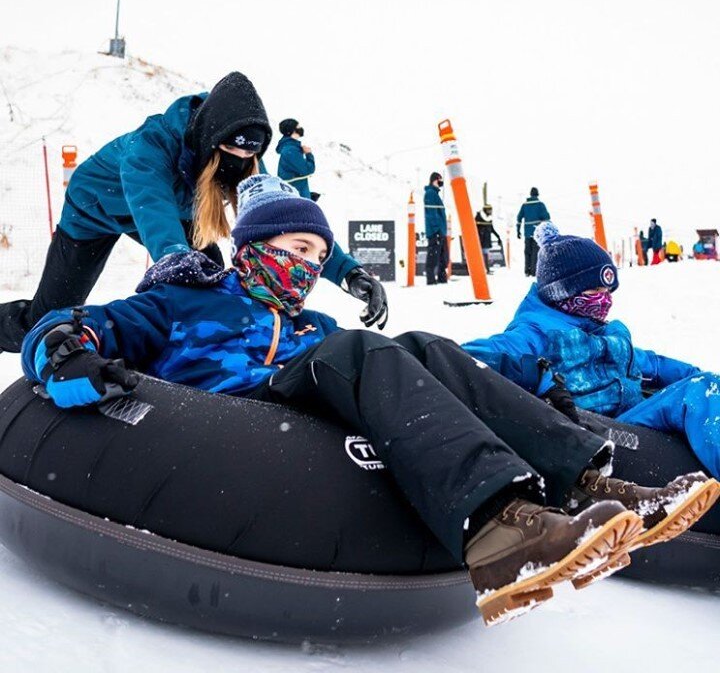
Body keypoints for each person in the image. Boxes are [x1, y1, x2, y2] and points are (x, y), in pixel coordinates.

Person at [20, 176, 717, 626]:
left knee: (421, 345)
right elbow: (82, 327)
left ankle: (591, 484)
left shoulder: (310, 326)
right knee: (356, 348)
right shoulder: (182, 301)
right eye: (296, 248)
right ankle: (498, 530)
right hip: (230, 411)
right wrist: (63, 353)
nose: (306, 267)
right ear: (257, 246)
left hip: (303, 410)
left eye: (317, 259)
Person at [0, 75, 387, 353]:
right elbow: (152, 205)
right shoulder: (151, 146)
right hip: (94, 210)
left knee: (214, 289)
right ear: (209, 142)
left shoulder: (246, 160)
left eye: (247, 157)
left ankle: (208, 357)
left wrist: (349, 273)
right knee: (46, 317)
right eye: (229, 155)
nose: (237, 165)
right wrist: (173, 256)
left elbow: (287, 221)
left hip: (177, 214)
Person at [462, 222, 720, 478]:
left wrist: (699, 376)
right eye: (595, 289)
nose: (605, 299)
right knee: (698, 392)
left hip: (631, 420)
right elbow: (468, 356)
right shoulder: (535, 333)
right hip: (599, 434)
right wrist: (536, 375)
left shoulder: (601, 331)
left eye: (609, 291)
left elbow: (651, 363)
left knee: (705, 387)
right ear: (562, 290)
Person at [276, 118, 315, 200]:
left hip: (296, 191)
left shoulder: (291, 147)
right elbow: (308, 170)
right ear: (293, 131)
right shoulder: (291, 150)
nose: (301, 128)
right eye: (298, 127)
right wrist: (309, 154)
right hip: (298, 194)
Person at [516, 187, 550, 277]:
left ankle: (527, 270)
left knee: (527, 251)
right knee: (536, 252)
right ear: (537, 194)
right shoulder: (540, 205)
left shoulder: (525, 205)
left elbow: (519, 218)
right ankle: (534, 271)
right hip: (537, 233)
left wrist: (518, 231)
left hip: (527, 233)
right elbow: (546, 218)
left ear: (530, 194)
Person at [423, 172, 448, 285]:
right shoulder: (430, 194)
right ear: (434, 180)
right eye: (440, 180)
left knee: (443, 257)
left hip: (441, 231)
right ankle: (431, 280)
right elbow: (431, 214)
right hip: (435, 232)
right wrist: (436, 229)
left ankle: (442, 278)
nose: (441, 182)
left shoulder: (435, 194)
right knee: (433, 256)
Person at [475, 204, 503, 273]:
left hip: (486, 239)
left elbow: (492, 229)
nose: (490, 211)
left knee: (486, 255)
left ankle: (487, 269)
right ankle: (481, 269)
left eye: (490, 210)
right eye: (488, 210)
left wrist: (498, 237)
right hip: (480, 239)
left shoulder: (489, 218)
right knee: (481, 255)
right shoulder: (478, 217)